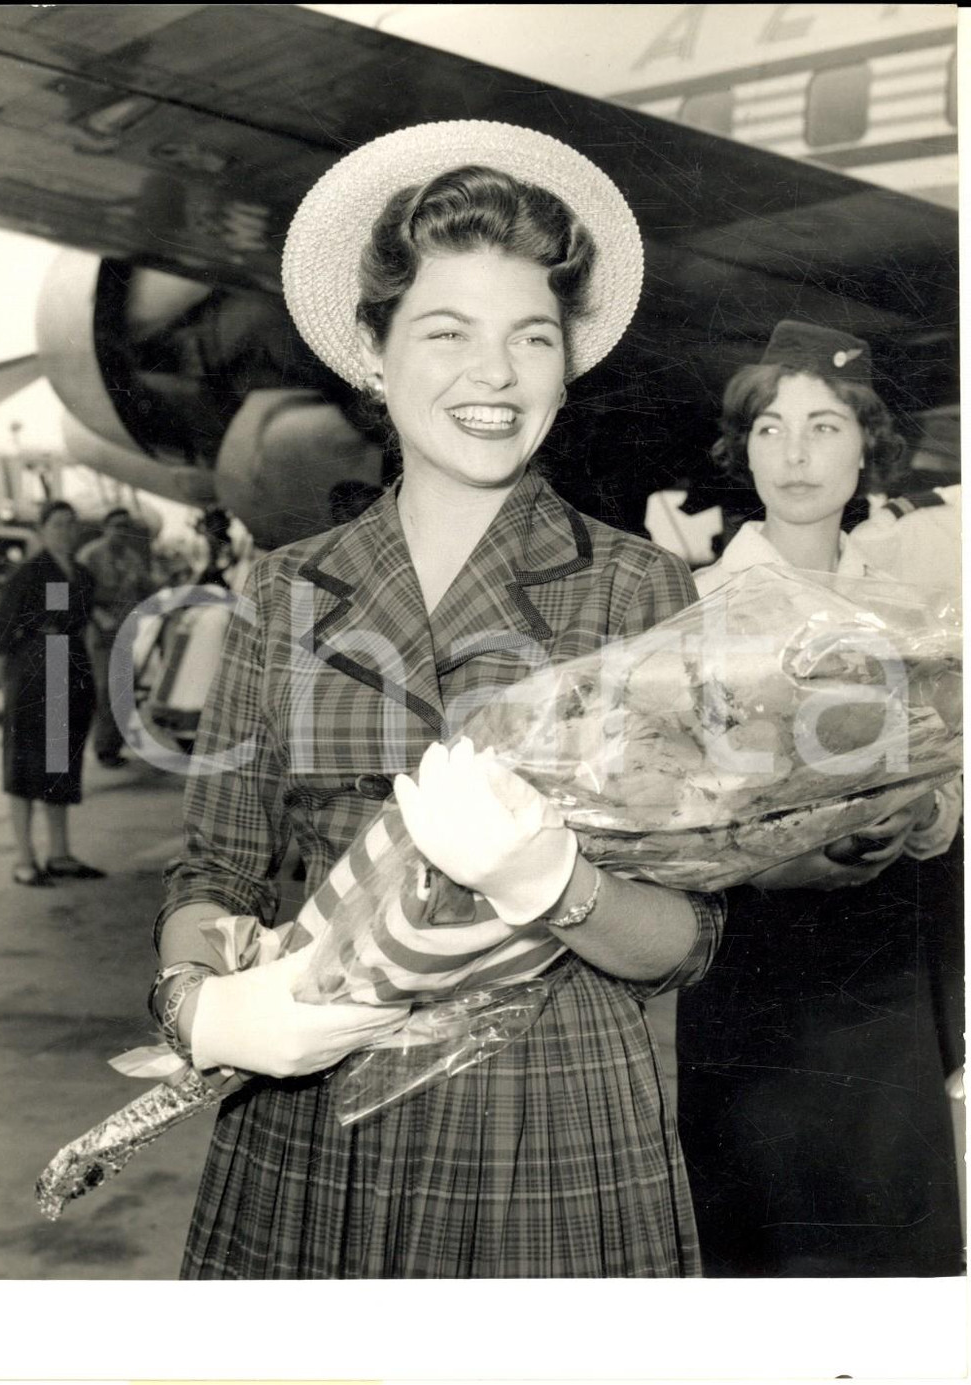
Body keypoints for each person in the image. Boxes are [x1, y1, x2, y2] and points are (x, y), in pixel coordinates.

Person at [152, 120, 725, 1279]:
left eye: (531, 336)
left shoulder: (638, 589)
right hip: (309, 1122)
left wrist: (553, 885)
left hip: (549, 1125)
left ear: (567, 362)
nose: (495, 374)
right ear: (372, 350)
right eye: (446, 330)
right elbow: (215, 871)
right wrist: (202, 1003)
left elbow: (687, 937)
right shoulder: (283, 590)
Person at [674, 320, 963, 1277]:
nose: (795, 454)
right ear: (744, 449)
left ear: (867, 446)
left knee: (894, 1255)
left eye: (824, 427)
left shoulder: (910, 611)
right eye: (771, 428)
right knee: (758, 1258)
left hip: (882, 978)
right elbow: (665, 802)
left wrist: (921, 816)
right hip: (746, 974)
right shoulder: (690, 606)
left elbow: (946, 790)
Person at [0, 499, 105, 885]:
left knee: (60, 765)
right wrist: (9, 687)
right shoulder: (30, 573)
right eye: (57, 524)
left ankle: (60, 854)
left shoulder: (81, 575)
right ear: (41, 530)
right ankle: (25, 860)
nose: (65, 530)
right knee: (24, 767)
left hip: (69, 667)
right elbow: (0, 635)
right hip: (35, 671)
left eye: (71, 523)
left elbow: (81, 625)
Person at [77, 507, 155, 767]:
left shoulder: (132, 558)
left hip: (125, 632)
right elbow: (78, 594)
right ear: (106, 527)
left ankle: (112, 747)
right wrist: (98, 617)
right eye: (117, 525)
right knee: (105, 688)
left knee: (123, 687)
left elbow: (147, 587)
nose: (121, 531)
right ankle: (103, 748)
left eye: (126, 527)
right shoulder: (90, 555)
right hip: (99, 633)